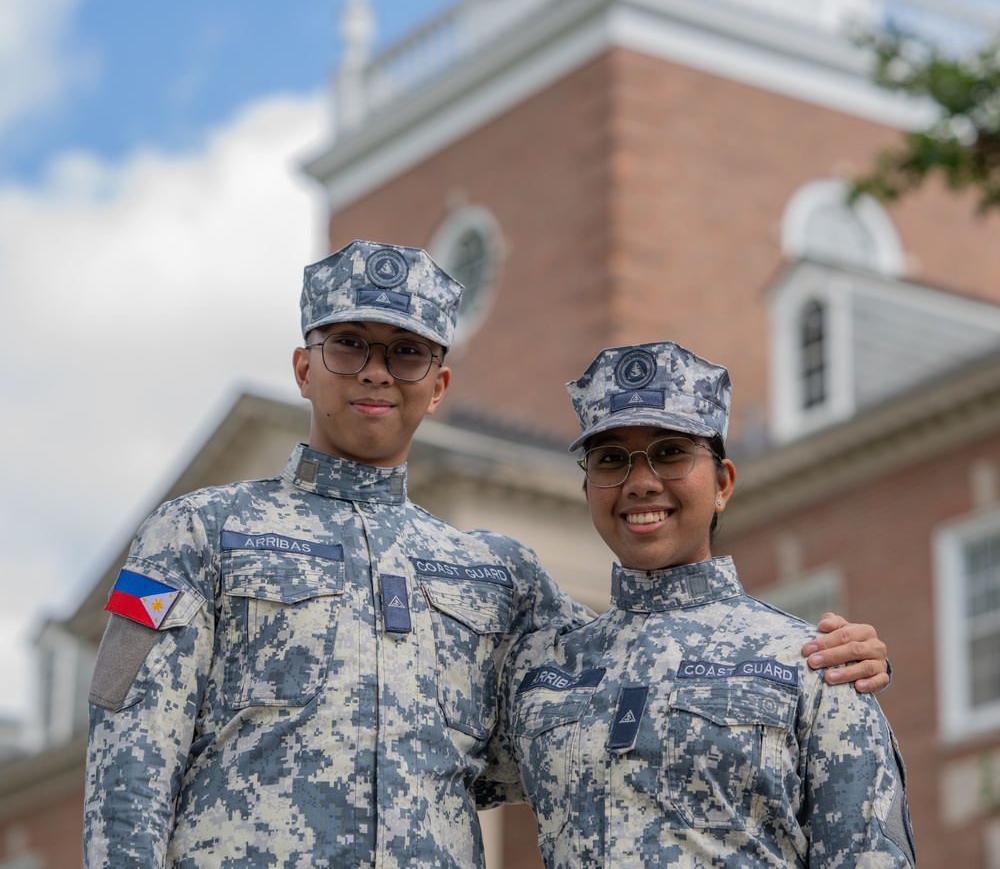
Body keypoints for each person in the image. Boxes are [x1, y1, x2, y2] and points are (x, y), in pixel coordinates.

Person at [85, 244, 891, 868]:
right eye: (348, 345)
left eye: (406, 352)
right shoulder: (194, 534)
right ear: (304, 368)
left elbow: (634, 668)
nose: (375, 370)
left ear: (437, 386)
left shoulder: (497, 577)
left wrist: (835, 658)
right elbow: (129, 756)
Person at [481, 340, 915, 867]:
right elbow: (417, 765)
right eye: (611, 459)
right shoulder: (541, 673)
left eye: (670, 453)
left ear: (722, 484)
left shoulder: (814, 666)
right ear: (588, 487)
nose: (640, 483)